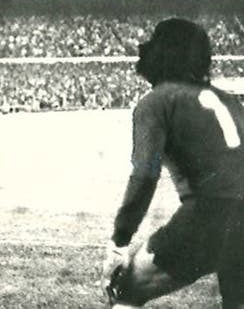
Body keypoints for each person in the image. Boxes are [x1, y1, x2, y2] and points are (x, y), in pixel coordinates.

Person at [101, 18, 244, 308]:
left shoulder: (157, 101)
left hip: (209, 216)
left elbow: (144, 174)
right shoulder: (230, 101)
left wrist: (119, 242)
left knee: (125, 290)